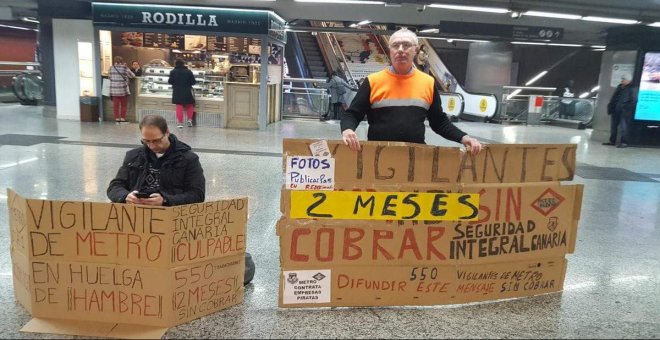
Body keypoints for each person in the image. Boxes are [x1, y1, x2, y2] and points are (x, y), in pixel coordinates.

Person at [107, 115, 255, 285]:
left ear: (167, 133)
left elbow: (197, 195)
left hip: (171, 220)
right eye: (146, 141)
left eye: (156, 140)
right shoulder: (134, 156)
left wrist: (165, 200)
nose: (152, 146)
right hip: (136, 221)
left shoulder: (188, 159)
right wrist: (125, 196)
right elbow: (114, 186)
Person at [340, 28, 482, 156]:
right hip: (379, 157)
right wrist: (347, 129)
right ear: (390, 50)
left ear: (415, 50)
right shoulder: (373, 81)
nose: (400, 49)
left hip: (415, 159)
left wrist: (463, 137)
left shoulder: (428, 82)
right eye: (395, 45)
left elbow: (438, 121)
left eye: (406, 45)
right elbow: (352, 113)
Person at [603, 75, 635, 148]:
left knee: (624, 127)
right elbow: (614, 97)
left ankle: (624, 142)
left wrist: (626, 108)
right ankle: (612, 141)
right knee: (613, 126)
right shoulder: (619, 87)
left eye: (623, 79)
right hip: (615, 109)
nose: (622, 80)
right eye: (622, 79)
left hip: (624, 111)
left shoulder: (632, 88)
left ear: (628, 80)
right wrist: (610, 106)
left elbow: (633, 101)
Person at [168, 59, 196, 128]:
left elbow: (170, 81)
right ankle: (189, 120)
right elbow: (193, 82)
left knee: (179, 106)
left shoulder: (173, 72)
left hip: (177, 91)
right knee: (190, 105)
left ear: (176, 64)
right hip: (187, 91)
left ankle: (180, 123)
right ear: (183, 64)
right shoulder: (188, 71)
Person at [109, 56, 135, 123]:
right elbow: (133, 75)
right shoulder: (124, 68)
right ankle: (123, 119)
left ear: (114, 61)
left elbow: (109, 77)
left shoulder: (111, 68)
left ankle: (117, 119)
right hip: (123, 90)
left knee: (115, 106)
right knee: (123, 105)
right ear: (122, 61)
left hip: (114, 90)